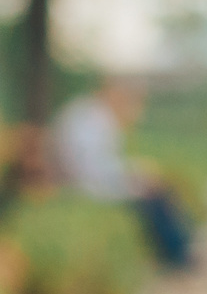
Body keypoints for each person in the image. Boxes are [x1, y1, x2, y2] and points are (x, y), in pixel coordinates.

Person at [50, 77, 194, 270]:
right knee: (153, 195)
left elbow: (101, 163)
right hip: (85, 185)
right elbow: (96, 169)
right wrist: (135, 176)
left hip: (89, 179)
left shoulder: (90, 114)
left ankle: (182, 250)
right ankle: (179, 256)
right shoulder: (93, 119)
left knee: (155, 189)